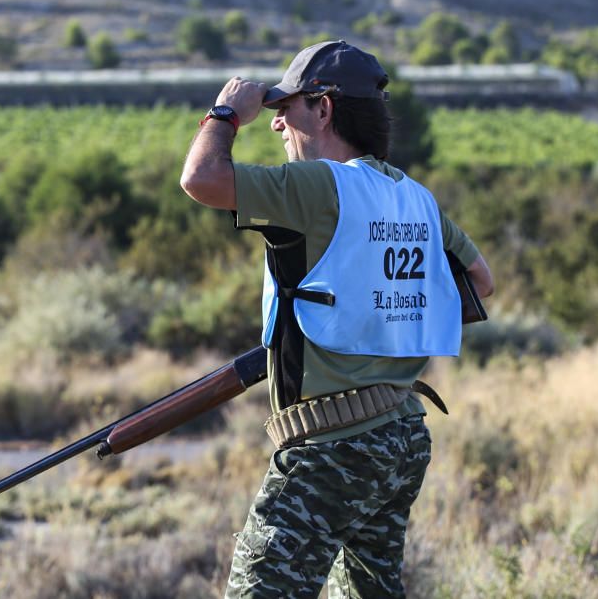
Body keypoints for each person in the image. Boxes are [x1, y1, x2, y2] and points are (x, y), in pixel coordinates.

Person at [180, 40, 494, 598]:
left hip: (331, 445)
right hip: (401, 433)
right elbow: (481, 282)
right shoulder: (415, 198)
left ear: (323, 109)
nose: (275, 126)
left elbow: (201, 178)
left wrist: (225, 113)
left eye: (285, 110)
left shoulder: (321, 185)